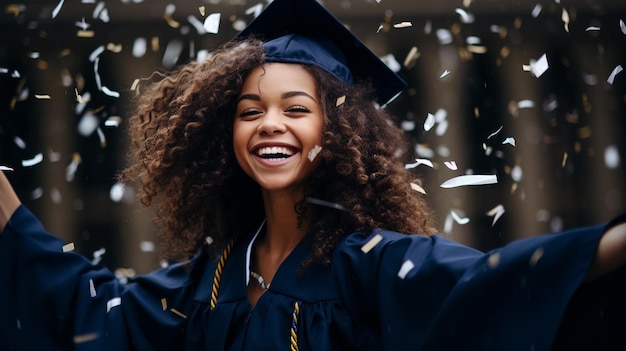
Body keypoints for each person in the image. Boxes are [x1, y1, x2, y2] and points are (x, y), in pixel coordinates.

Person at [1, 0, 625, 349]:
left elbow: (495, 285)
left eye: (296, 110)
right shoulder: (204, 286)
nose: (271, 125)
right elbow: (86, 310)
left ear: (336, 135)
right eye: (250, 112)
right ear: (227, 140)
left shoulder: (371, 265)